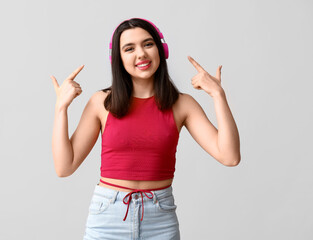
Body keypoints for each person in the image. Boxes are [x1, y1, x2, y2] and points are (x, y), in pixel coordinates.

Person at [51, 18, 240, 240]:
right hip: (108, 218)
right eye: (129, 48)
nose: (140, 54)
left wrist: (218, 96)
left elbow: (230, 157)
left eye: (148, 44)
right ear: (118, 59)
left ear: (162, 50)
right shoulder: (101, 102)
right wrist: (61, 108)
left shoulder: (182, 104)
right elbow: (64, 167)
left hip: (160, 219)